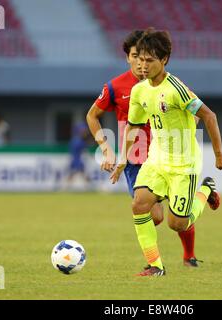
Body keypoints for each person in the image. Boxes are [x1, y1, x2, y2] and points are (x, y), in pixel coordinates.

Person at [110, 28, 222, 276]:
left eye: (150, 61)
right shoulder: (139, 91)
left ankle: (205, 190)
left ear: (164, 60)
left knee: (178, 224)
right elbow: (133, 125)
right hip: (156, 161)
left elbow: (209, 115)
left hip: (183, 165)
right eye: (140, 60)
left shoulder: (177, 89)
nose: (143, 66)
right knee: (139, 205)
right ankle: (155, 266)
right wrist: (123, 159)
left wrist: (219, 155)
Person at [86, 30, 203, 268]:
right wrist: (107, 150)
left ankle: (188, 255)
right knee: (157, 216)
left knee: (177, 215)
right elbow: (92, 116)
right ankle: (156, 265)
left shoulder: (167, 82)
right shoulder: (115, 87)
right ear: (128, 58)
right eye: (136, 55)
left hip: (170, 157)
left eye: (146, 56)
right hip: (137, 158)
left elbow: (197, 111)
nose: (141, 62)